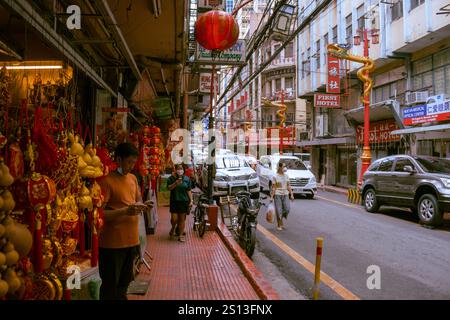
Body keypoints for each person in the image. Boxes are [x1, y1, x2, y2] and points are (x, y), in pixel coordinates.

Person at [98, 142, 152, 300]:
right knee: (110, 286)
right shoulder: (107, 181)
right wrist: (125, 211)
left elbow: (136, 201)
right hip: (112, 244)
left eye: (133, 162)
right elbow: (99, 213)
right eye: (129, 162)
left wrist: (143, 206)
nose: (131, 166)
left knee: (124, 284)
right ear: (119, 160)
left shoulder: (133, 179)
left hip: (131, 241)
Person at [167, 163, 193, 242]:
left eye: (181, 169)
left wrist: (191, 200)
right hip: (174, 201)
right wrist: (176, 183)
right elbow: (169, 188)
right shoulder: (171, 178)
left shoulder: (187, 179)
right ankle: (173, 227)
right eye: (178, 169)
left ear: (183, 170)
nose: (180, 170)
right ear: (175, 170)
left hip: (184, 201)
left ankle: (181, 235)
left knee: (182, 219)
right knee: (174, 219)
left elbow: (189, 191)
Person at [270, 161, 294, 231]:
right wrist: (272, 197)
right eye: (284, 166)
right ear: (280, 167)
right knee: (278, 210)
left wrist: (291, 194)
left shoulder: (286, 176)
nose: (285, 168)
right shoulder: (275, 176)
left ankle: (281, 219)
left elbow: (288, 185)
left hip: (285, 194)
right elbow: (274, 187)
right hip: (277, 194)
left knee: (287, 209)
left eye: (285, 166)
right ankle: (279, 224)